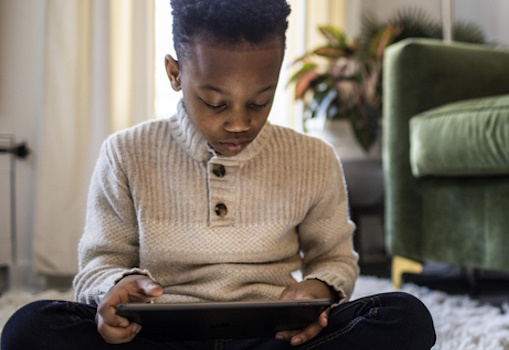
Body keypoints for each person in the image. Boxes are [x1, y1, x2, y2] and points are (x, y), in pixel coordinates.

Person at [1, 0, 435, 349]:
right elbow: (99, 263)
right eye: (215, 103)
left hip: (274, 336)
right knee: (30, 328)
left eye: (260, 101)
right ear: (175, 74)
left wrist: (319, 287)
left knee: (405, 317)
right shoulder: (125, 153)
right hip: (155, 336)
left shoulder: (314, 158)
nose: (239, 123)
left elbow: (335, 259)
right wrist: (117, 287)